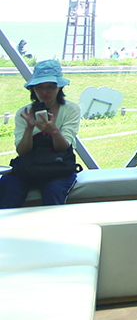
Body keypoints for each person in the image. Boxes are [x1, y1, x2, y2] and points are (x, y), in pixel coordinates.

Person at [1, 59, 81, 208]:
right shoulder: (24, 113)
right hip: (29, 167)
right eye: (39, 87)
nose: (44, 92)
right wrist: (29, 128)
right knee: (7, 189)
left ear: (59, 87)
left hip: (59, 167)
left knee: (54, 191)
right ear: (33, 89)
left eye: (50, 87)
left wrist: (54, 131)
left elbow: (63, 147)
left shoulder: (71, 109)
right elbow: (22, 151)